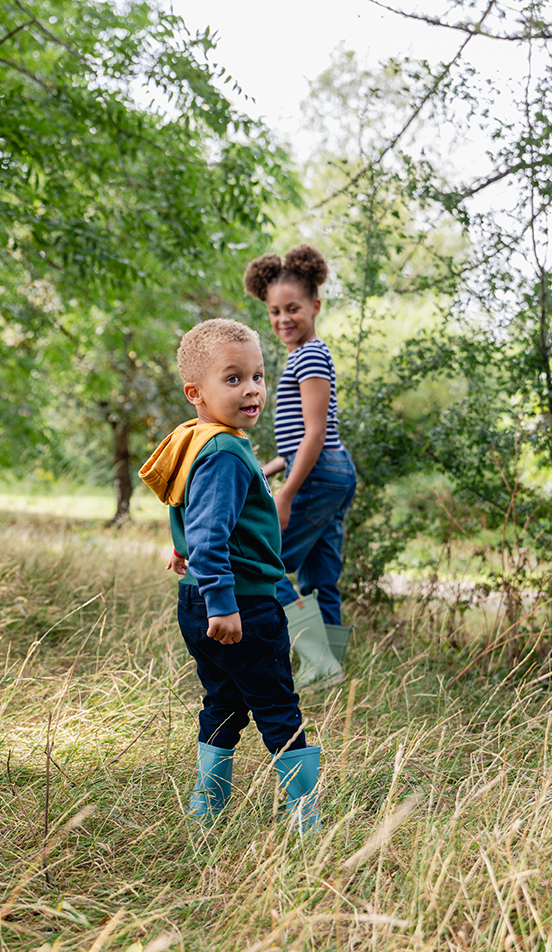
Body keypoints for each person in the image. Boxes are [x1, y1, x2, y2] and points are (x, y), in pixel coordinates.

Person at [139, 318, 320, 831]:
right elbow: (210, 530)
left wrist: (184, 550)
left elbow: (194, 512)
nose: (252, 389)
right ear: (195, 392)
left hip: (201, 598)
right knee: (277, 707)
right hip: (239, 605)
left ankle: (206, 811)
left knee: (223, 703)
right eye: (234, 378)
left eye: (258, 376)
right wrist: (222, 602)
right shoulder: (224, 452)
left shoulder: (198, 440)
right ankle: (307, 821)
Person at [244, 244, 357, 691]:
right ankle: (329, 669)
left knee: (262, 561)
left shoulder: (308, 355)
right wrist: (268, 468)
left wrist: (286, 494)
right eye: (274, 311)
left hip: (317, 473)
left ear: (315, 306)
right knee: (319, 575)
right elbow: (300, 441)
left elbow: (315, 433)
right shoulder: (309, 353)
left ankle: (318, 661)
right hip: (331, 472)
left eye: (293, 308)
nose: (283, 319)